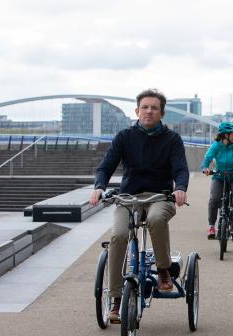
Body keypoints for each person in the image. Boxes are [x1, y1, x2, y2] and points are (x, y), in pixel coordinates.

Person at [89, 88, 189, 322]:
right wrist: (99, 186)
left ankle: (163, 270)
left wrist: (180, 188)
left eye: (154, 108)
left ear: (162, 113)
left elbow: (181, 168)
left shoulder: (172, 139)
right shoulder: (125, 137)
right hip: (128, 199)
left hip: (160, 197)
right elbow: (106, 166)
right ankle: (115, 300)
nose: (149, 111)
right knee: (119, 235)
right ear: (137, 110)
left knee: (155, 219)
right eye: (145, 107)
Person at [201, 121, 233, 239]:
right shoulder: (216, 145)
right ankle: (212, 226)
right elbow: (208, 157)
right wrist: (205, 167)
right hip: (219, 176)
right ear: (226, 135)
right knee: (214, 199)